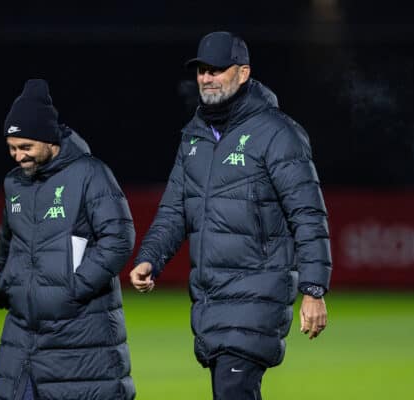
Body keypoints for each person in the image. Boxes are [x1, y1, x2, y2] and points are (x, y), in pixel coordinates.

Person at [130, 31, 332, 399]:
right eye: (202, 70)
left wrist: (314, 289)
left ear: (243, 73)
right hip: (210, 301)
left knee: (233, 388)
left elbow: (308, 214)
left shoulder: (277, 133)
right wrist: (150, 258)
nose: (206, 78)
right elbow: (174, 208)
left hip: (257, 296)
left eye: (216, 70)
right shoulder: (194, 136)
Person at [0, 79, 136, 400]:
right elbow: (8, 239)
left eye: (26, 147)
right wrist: (2, 282)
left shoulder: (90, 173)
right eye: (12, 148)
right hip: (22, 337)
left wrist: (74, 289)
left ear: (50, 140)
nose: (18, 156)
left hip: (79, 333)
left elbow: (119, 237)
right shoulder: (14, 184)